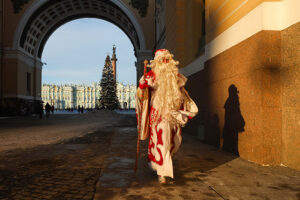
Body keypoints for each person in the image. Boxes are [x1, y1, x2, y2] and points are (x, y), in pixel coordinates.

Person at [136, 49, 198, 184]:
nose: (165, 62)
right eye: (162, 60)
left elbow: (183, 94)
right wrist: (142, 87)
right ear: (157, 62)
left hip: (173, 114)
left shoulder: (176, 77)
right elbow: (141, 94)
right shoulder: (150, 76)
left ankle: (162, 165)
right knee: (162, 140)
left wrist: (185, 109)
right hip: (158, 114)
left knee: (175, 141)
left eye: (167, 59)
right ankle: (162, 173)